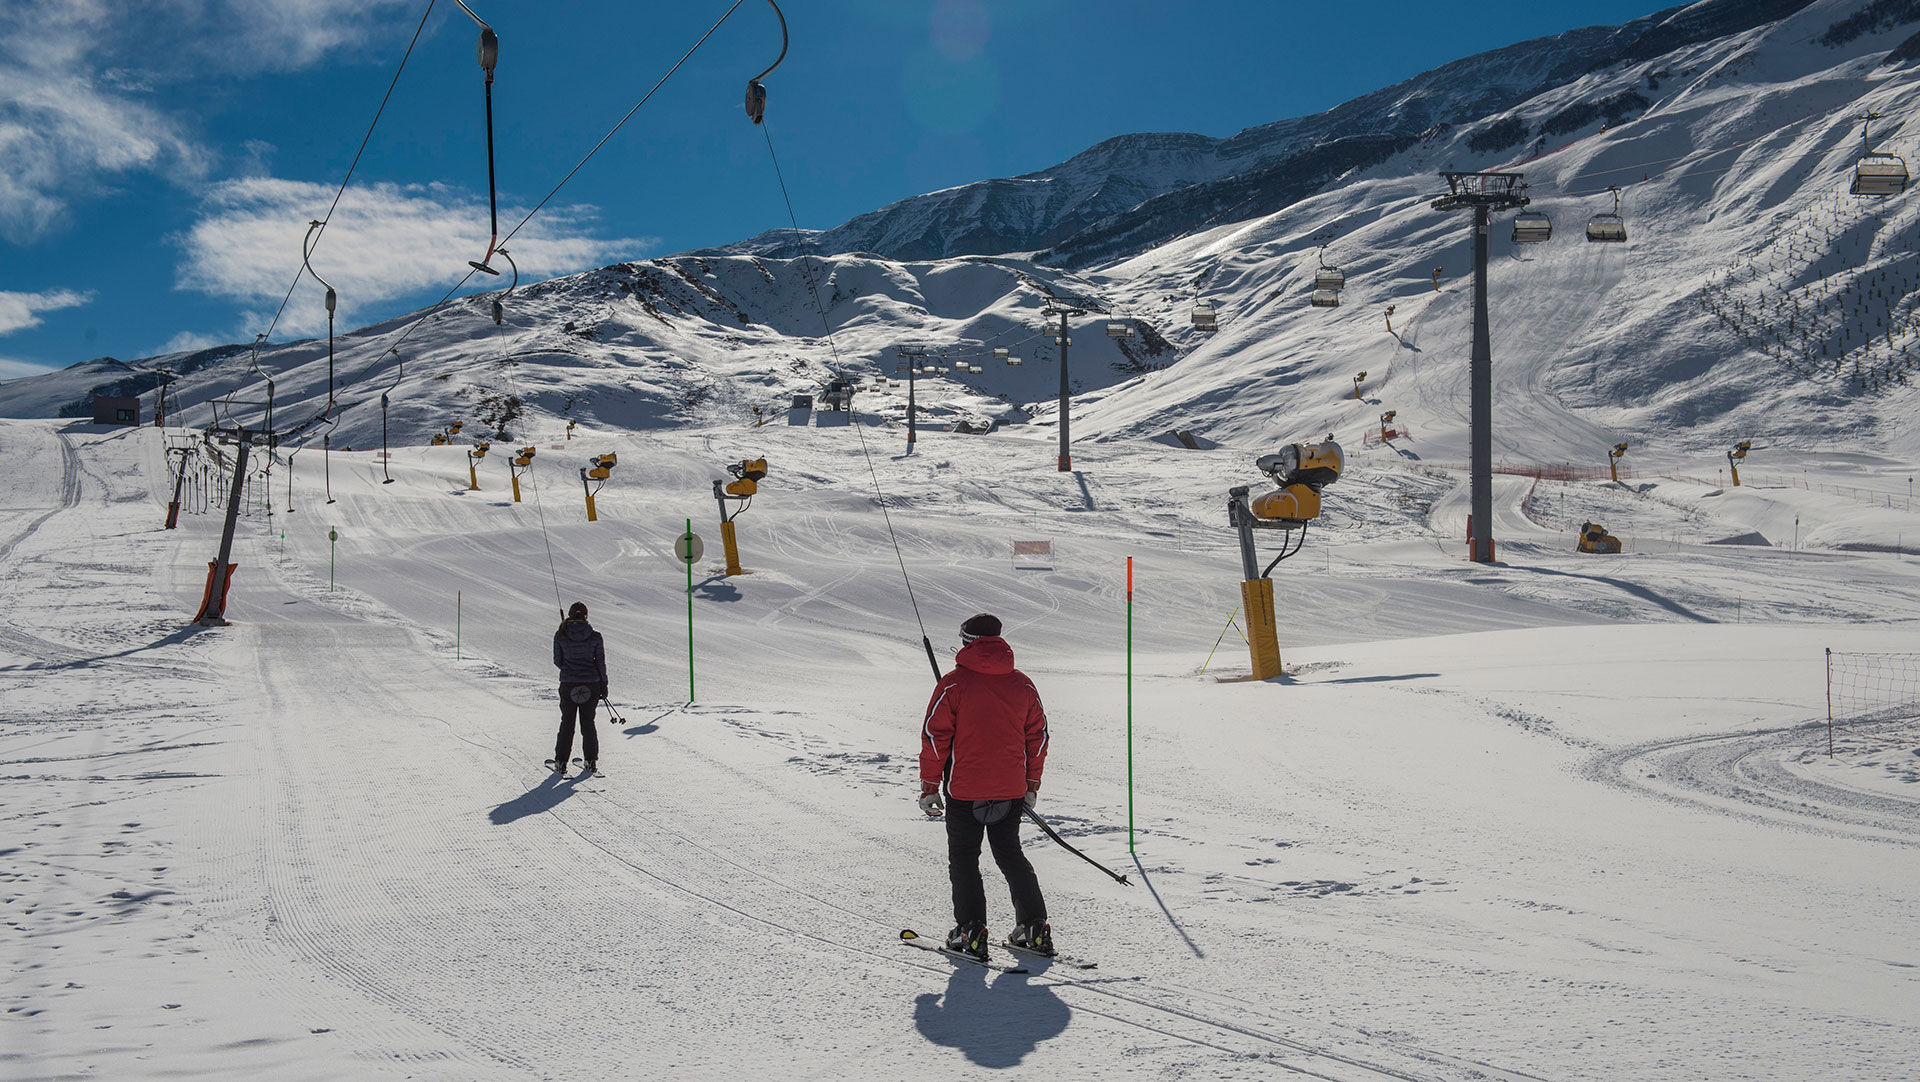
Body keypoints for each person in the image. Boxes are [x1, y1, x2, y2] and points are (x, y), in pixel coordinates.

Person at [917, 612, 1052, 959]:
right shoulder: (1022, 684)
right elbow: (1037, 736)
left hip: (965, 790)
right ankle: (1034, 929)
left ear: (966, 642)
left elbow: (935, 737)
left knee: (964, 859)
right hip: (1010, 789)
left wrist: (930, 785)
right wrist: (1031, 783)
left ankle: (970, 931)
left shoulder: (952, 684)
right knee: (1010, 855)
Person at [550, 601, 608, 774]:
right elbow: (601, 663)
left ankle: (561, 762)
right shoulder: (595, 636)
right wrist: (603, 684)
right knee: (588, 723)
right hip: (591, 685)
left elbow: (557, 661)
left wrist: (570, 669)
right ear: (586, 616)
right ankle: (591, 762)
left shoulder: (560, 634)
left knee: (567, 723)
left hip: (568, 685)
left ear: (569, 615)